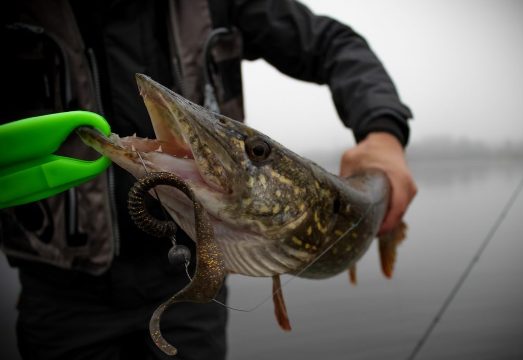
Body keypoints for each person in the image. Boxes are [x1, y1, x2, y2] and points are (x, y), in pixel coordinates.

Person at [0, 0, 417, 359]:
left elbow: (332, 44)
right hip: (59, 293)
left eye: (256, 154)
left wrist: (383, 132)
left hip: (192, 280)